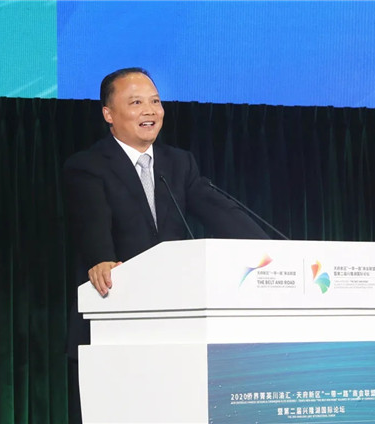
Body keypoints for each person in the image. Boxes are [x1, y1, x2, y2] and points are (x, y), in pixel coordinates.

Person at [63, 67, 268, 423]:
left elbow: (219, 210)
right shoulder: (87, 166)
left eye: (155, 102)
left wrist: (269, 249)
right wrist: (102, 258)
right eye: (136, 103)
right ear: (108, 114)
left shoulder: (179, 163)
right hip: (113, 324)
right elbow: (92, 222)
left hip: (175, 329)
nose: (150, 110)